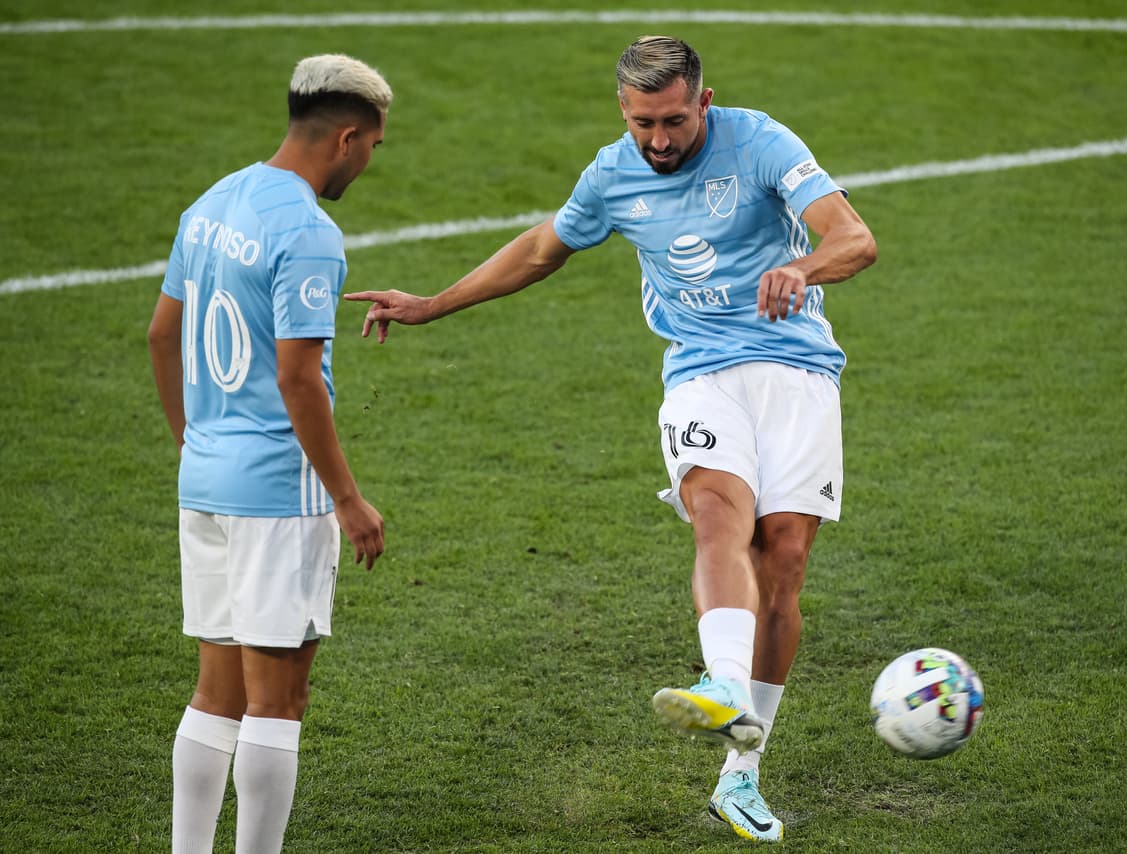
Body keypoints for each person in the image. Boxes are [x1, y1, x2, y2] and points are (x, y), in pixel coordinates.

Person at [346, 36, 875, 843]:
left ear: (703, 101)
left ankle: (741, 773)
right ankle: (725, 682)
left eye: (671, 122)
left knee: (785, 560)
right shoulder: (613, 173)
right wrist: (431, 303)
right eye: (641, 124)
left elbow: (854, 238)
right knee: (717, 514)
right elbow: (541, 248)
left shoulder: (760, 140)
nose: (657, 141)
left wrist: (803, 271)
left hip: (795, 368)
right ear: (622, 113)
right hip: (700, 372)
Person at [147, 54, 391, 854]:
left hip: (206, 480)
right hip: (277, 496)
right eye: (373, 148)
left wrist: (195, 441)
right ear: (347, 139)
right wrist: (348, 499)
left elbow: (161, 332)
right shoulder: (308, 231)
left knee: (214, 695)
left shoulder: (213, 201)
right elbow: (298, 377)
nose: (368, 162)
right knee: (277, 704)